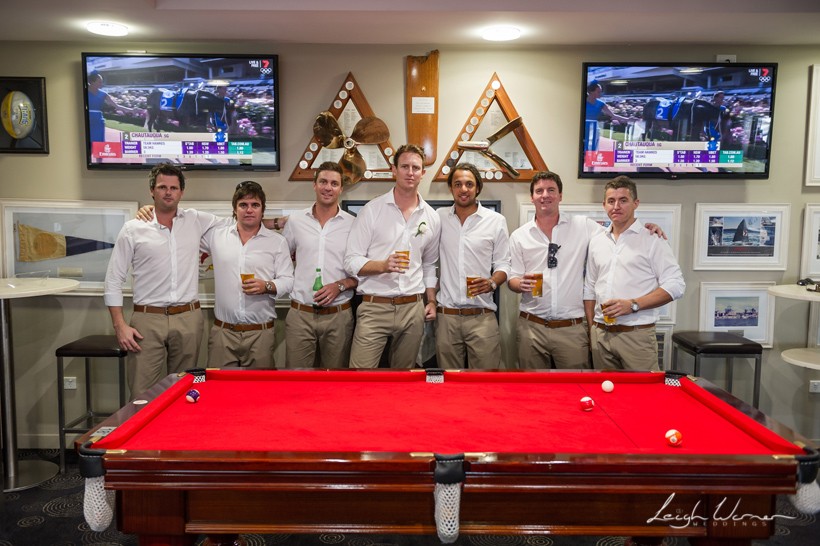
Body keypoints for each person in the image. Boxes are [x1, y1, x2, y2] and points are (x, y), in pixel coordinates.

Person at [104, 163, 221, 398]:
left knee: (186, 390)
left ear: (182, 192)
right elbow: (114, 279)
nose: (168, 192)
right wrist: (120, 325)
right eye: (162, 187)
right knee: (141, 393)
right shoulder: (133, 228)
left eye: (174, 188)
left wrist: (277, 224)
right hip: (148, 320)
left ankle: (180, 435)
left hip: (188, 318)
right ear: (152, 191)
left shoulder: (195, 220)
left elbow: (240, 223)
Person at [344, 144, 441, 368]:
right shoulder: (372, 210)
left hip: (412, 308)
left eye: (416, 168)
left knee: (404, 381)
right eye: (404, 166)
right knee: (360, 376)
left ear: (423, 173)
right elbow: (351, 261)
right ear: (394, 170)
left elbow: (429, 265)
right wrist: (383, 265)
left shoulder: (432, 218)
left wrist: (432, 301)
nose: (410, 172)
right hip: (374, 306)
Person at [583, 176, 685, 370]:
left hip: (636, 336)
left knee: (644, 398)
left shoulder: (652, 239)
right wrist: (592, 330)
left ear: (635, 203)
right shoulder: (597, 240)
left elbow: (676, 285)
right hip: (601, 336)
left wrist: (633, 305)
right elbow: (589, 288)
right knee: (605, 397)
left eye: (623, 200)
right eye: (611, 201)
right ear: (604, 205)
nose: (616, 206)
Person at [507, 171, 604, 369]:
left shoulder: (583, 226)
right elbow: (512, 278)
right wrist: (519, 284)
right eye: (539, 191)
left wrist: (646, 228)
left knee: (575, 389)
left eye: (551, 190)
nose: (545, 195)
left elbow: (614, 235)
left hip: (571, 328)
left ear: (560, 195)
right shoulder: (519, 236)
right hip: (531, 327)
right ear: (532, 197)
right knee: (532, 391)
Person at [201, 180, 294, 368]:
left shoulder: (277, 242)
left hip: (260, 333)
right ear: (235, 209)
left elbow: (288, 281)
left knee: (259, 394)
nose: (249, 210)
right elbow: (182, 226)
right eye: (243, 205)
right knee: (220, 393)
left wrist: (266, 286)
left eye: (255, 205)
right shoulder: (217, 237)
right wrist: (151, 210)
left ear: (262, 210)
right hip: (223, 333)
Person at [282, 162, 358, 368]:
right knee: (297, 383)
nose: (328, 187)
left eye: (334, 183)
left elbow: (361, 272)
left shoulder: (353, 225)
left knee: (335, 385)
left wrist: (339, 285)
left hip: (338, 316)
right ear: (314, 185)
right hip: (300, 314)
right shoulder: (296, 221)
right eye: (323, 181)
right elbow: (281, 261)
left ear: (341, 189)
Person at [435, 162, 510, 369]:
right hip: (446, 318)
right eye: (457, 184)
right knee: (447, 384)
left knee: (486, 384)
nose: (463, 189)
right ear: (451, 188)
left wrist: (492, 283)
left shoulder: (495, 221)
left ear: (478, 188)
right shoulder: (439, 218)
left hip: (482, 317)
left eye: (469, 184)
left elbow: (504, 263)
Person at [87, 70, 143, 143]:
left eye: (102, 82)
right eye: (99, 82)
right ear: (92, 82)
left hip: (98, 121)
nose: (101, 84)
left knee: (98, 143)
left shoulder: (103, 94)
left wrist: (132, 110)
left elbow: (117, 106)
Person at [584, 81, 635, 151]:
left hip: (594, 127)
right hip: (583, 126)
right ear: (591, 92)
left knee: (592, 147)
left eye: (601, 91)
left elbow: (613, 116)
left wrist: (628, 119)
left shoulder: (601, 103)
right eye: (598, 92)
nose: (600, 94)